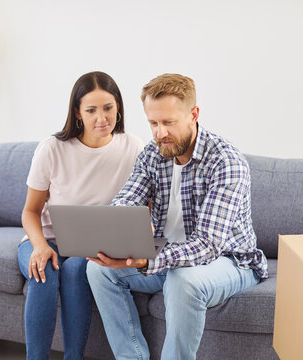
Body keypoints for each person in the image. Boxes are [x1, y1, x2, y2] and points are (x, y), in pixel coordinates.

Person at [86, 73, 268, 360]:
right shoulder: (152, 154)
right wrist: (123, 225)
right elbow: (126, 198)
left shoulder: (226, 162)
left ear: (193, 115)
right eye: (153, 123)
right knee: (99, 269)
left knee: (183, 280)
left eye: (168, 123)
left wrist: (150, 260)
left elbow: (207, 245)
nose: (160, 133)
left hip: (230, 261)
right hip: (167, 255)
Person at [18, 71, 144, 360]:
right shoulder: (52, 149)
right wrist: (40, 246)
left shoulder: (133, 147)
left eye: (108, 108)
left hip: (92, 245)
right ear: (77, 113)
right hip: (45, 239)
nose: (102, 118)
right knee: (44, 271)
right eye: (91, 110)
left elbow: (145, 205)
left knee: (77, 268)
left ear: (119, 108)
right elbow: (30, 211)